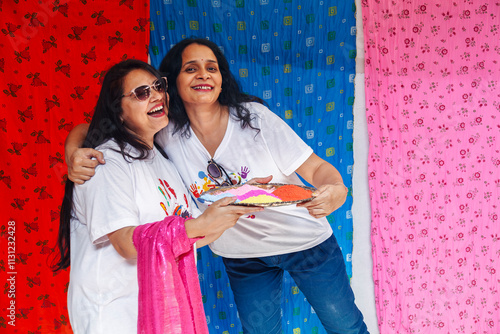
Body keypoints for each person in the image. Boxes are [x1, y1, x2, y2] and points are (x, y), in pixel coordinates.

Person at [66, 39, 369, 334]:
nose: (203, 74)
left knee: (345, 325)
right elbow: (99, 125)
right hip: (243, 256)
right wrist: (75, 152)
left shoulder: (254, 119)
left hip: (305, 243)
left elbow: (315, 167)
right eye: (190, 68)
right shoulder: (163, 132)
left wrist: (337, 188)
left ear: (222, 79)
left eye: (212, 68)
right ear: (174, 82)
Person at [53, 59, 260, 334]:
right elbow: (127, 244)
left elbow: (196, 233)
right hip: (116, 317)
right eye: (141, 93)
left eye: (158, 86)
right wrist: (202, 225)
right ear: (119, 112)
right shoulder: (106, 163)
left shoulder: (163, 160)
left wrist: (240, 199)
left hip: (163, 314)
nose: (156, 96)